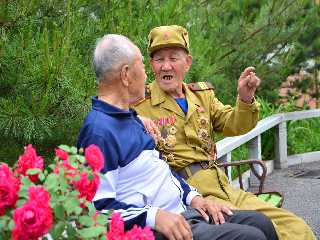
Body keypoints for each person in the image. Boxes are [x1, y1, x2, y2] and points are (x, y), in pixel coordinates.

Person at [77, 33, 279, 240]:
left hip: (184, 207)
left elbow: (161, 172)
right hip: (162, 225)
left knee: (261, 223)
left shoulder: (130, 118)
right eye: (144, 66)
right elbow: (96, 210)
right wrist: (155, 216)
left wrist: (195, 198)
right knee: (252, 237)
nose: (148, 75)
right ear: (126, 75)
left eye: (173, 58)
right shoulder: (100, 132)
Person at [132, 25, 316, 240]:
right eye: (159, 59)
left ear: (187, 63)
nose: (166, 66)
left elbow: (235, 125)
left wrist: (245, 99)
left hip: (224, 185)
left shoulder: (201, 95)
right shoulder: (138, 106)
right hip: (191, 196)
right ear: (151, 64)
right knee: (261, 234)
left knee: (296, 228)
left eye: (173, 58)